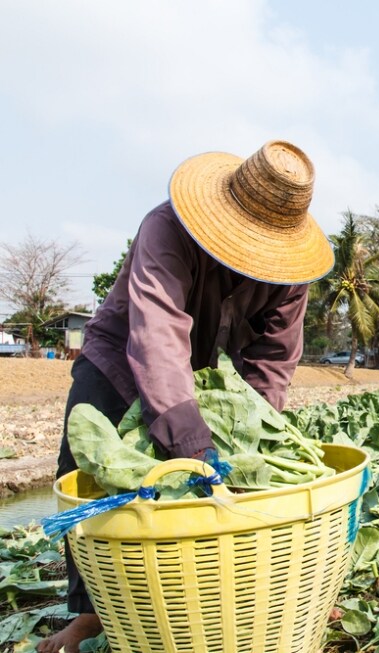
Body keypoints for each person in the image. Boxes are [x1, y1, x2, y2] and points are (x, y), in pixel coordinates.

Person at [38, 140, 334, 653]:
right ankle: (90, 613)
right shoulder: (167, 228)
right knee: (91, 471)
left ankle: (233, 594)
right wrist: (196, 450)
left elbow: (271, 362)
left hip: (210, 375)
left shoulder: (290, 276)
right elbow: (157, 337)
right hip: (123, 358)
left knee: (230, 487)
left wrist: (250, 445)